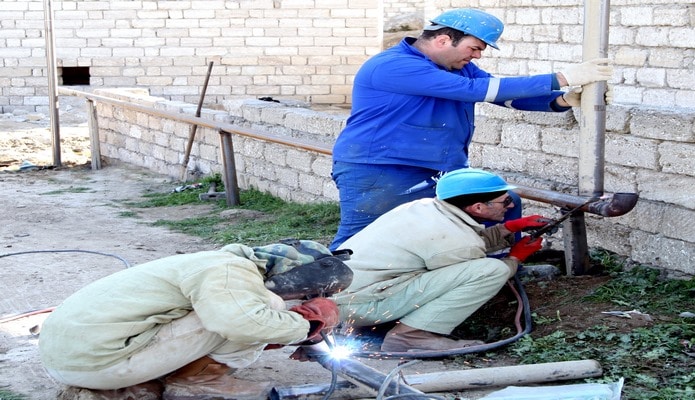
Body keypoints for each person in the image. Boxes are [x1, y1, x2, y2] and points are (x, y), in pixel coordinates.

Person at [328, 8, 613, 250]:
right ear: (443, 40)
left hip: (440, 169)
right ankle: (323, 300)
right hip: (381, 168)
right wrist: (562, 77)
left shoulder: (457, 67)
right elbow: (477, 90)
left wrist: (561, 100)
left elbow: (502, 94)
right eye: (474, 48)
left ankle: (497, 269)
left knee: (504, 203)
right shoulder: (394, 66)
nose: (477, 56)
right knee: (360, 239)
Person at [38, 240, 347, 400]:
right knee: (266, 305)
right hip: (97, 363)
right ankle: (196, 382)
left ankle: (147, 379)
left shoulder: (211, 263)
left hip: (72, 359)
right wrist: (307, 327)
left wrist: (284, 333)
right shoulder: (230, 270)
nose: (300, 300)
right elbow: (238, 324)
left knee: (246, 311)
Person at [332, 168, 549, 352]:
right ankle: (410, 336)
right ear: (478, 208)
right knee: (493, 270)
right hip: (360, 307)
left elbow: (452, 244)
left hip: (336, 298)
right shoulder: (459, 243)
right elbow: (468, 263)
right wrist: (515, 258)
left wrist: (510, 228)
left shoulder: (423, 208)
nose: (510, 206)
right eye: (506, 201)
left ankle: (372, 327)